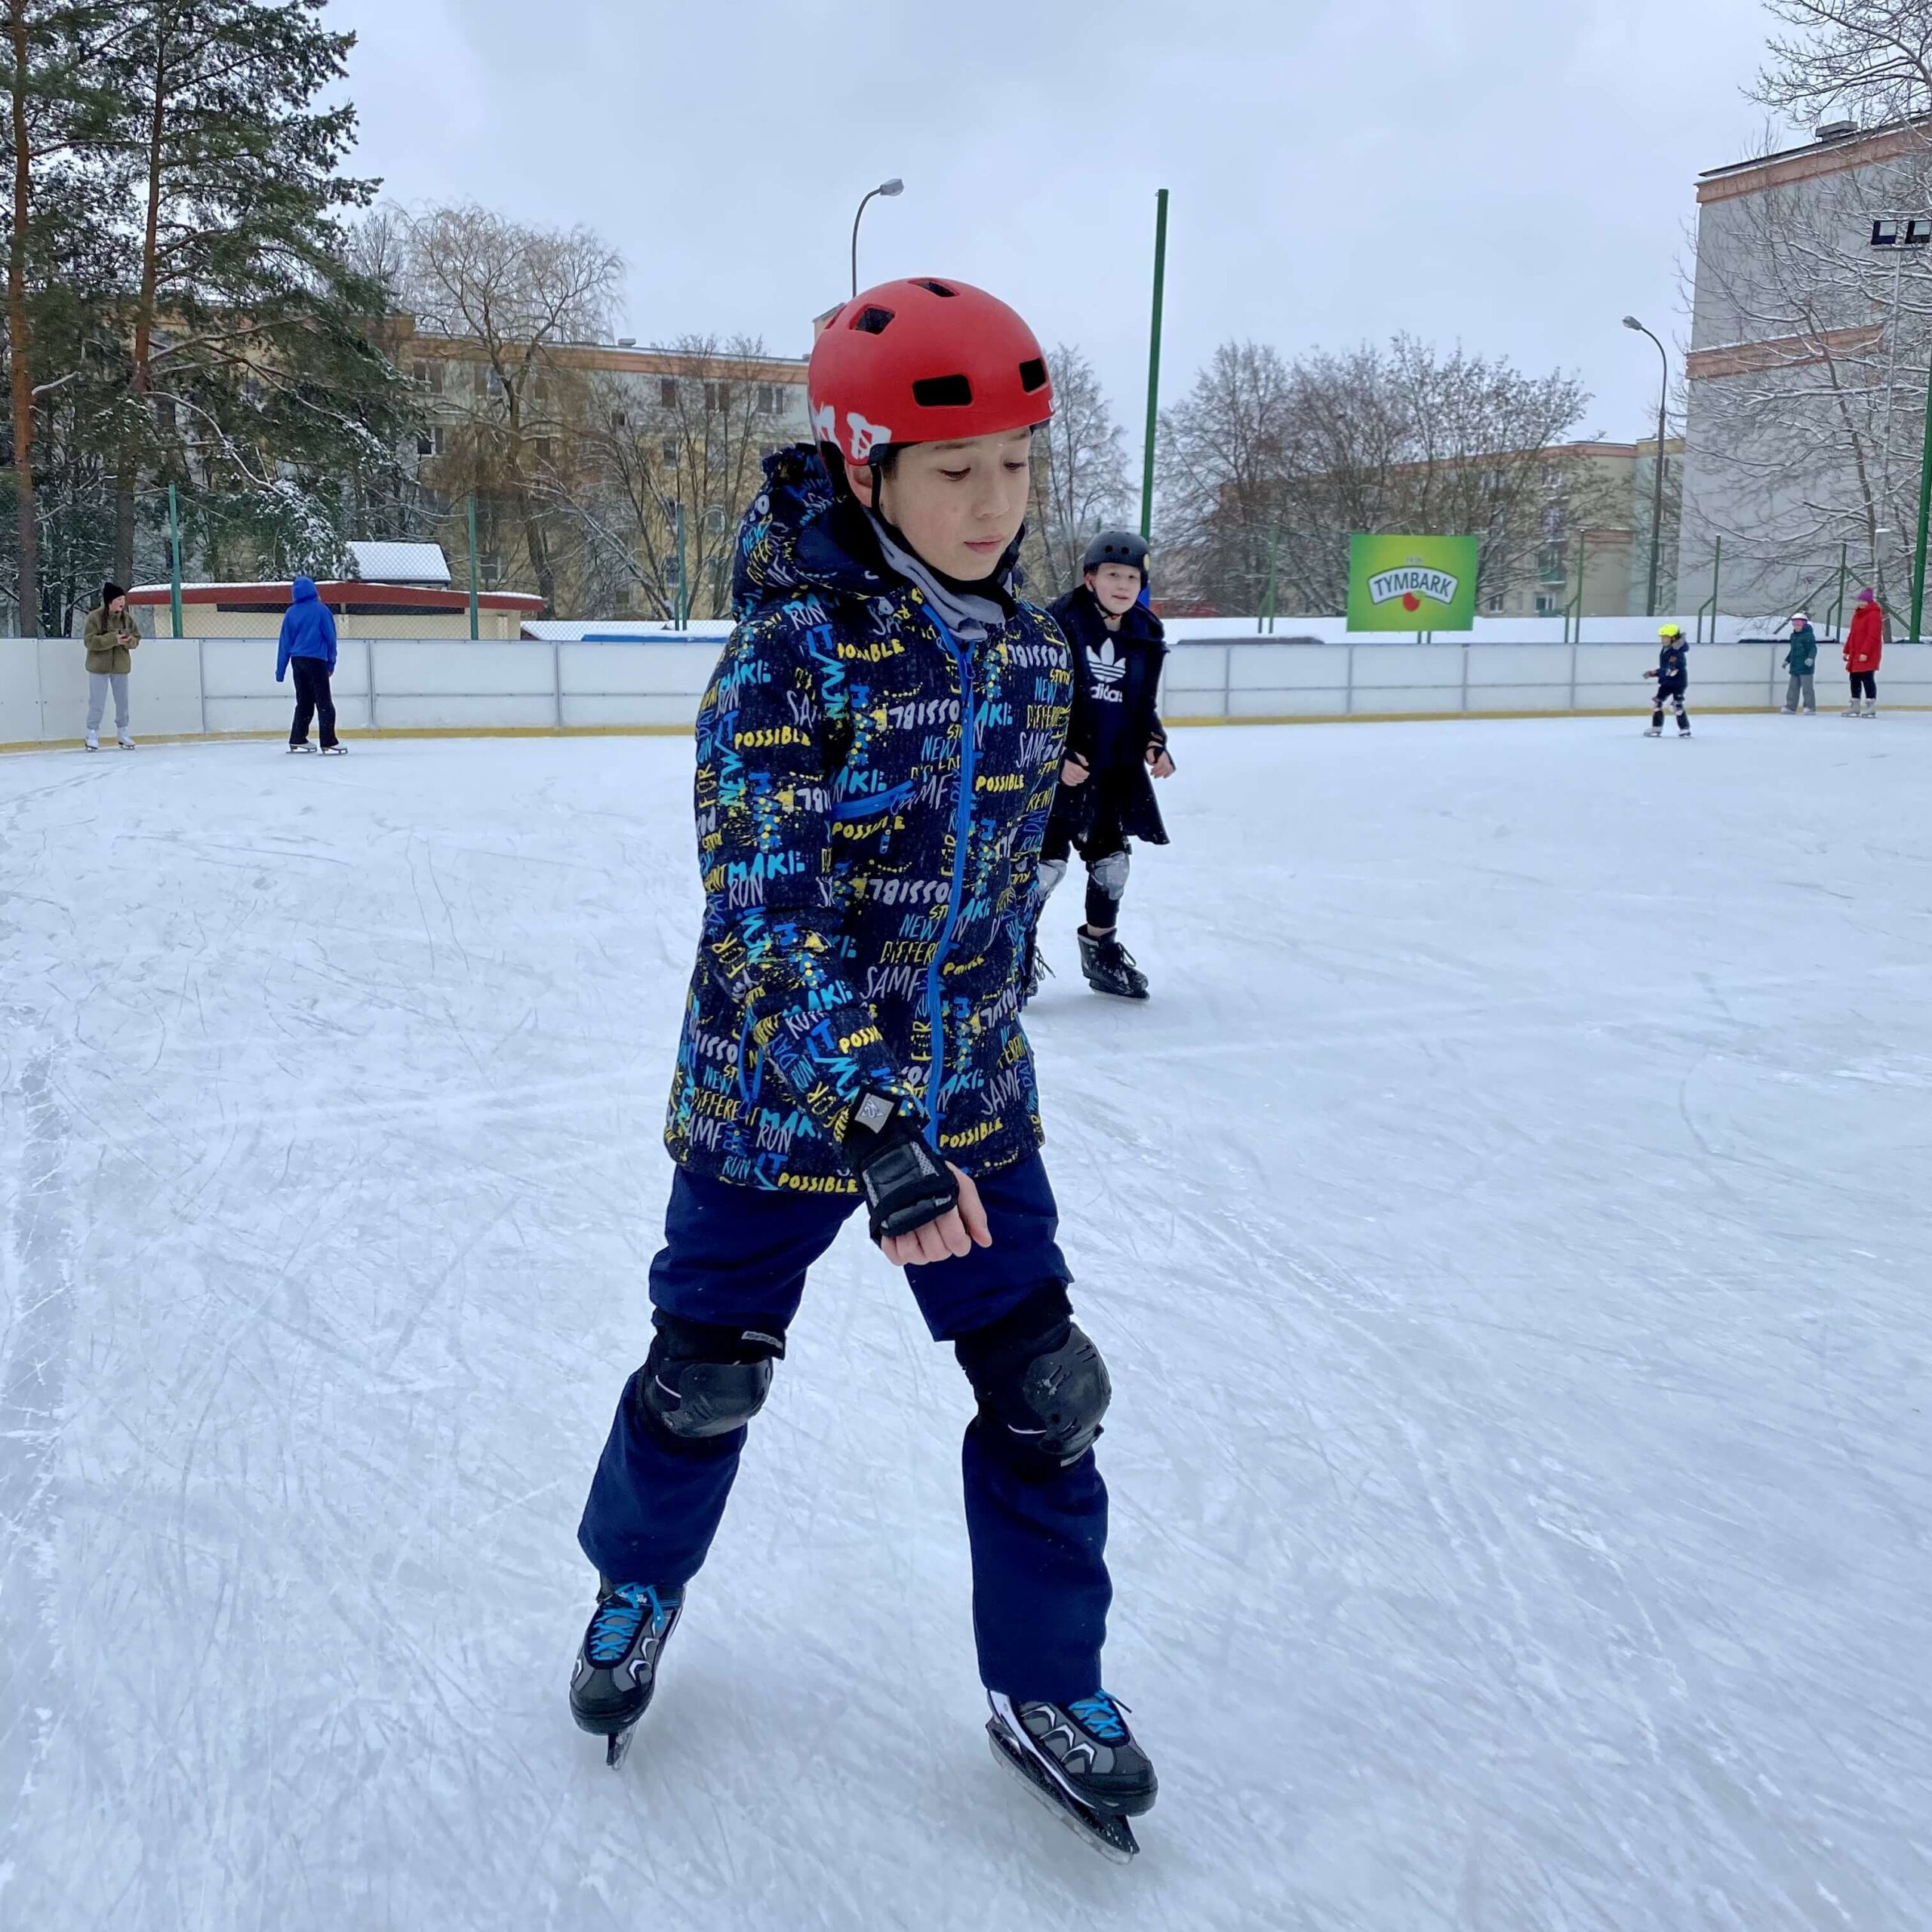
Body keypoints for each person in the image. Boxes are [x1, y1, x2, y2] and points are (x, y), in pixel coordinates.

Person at [568, 278, 1157, 1854]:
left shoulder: (1034, 661)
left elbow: (994, 895)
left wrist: (948, 1100)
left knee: (1046, 1392)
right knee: (700, 1380)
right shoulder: (787, 659)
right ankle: (636, 1581)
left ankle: (1046, 1678)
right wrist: (870, 1117)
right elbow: (765, 911)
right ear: (861, 465)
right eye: (952, 469)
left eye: (1016, 466)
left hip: (968, 1108)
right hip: (775, 1108)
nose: (993, 502)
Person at [1029, 531, 1176, 1002]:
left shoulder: (1144, 633)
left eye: (1132, 577)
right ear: (1090, 578)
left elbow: (1140, 705)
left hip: (1112, 773)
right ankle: (1014, 956)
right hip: (1058, 775)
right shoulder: (1056, 623)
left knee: (1112, 868)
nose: (1123, 584)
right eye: (1113, 574)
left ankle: (1101, 955)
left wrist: (1155, 743)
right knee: (1042, 871)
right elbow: (1031, 701)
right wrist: (1055, 757)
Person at [275, 575, 343, 752]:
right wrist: (331, 663)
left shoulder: (291, 613)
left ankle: (298, 737)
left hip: (297, 661)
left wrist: (280, 671)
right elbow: (330, 638)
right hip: (316, 660)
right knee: (324, 703)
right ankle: (329, 740)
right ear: (314, 591)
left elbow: (285, 642)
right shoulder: (321, 610)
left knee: (304, 701)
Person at [81, 583, 140, 750]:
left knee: (122, 702)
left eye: (123, 599)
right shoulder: (94, 618)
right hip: (98, 667)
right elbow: (89, 641)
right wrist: (113, 639)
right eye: (119, 599)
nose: (122, 602)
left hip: (121, 667)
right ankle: (92, 733)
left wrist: (129, 642)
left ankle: (123, 732)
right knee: (97, 702)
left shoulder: (127, 618)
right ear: (110, 601)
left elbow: (137, 638)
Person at [1644, 623, 1691, 737]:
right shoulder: (1666, 649)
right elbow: (1665, 669)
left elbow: (1669, 669)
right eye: (1662, 637)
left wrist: (1655, 673)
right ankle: (1657, 727)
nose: (1662, 640)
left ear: (1674, 638)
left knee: (1678, 706)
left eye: (1665, 637)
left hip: (1678, 683)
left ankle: (1685, 729)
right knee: (1657, 704)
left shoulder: (1676, 652)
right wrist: (1656, 673)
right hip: (1666, 683)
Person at [1843, 587, 1882, 717]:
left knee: (1867, 678)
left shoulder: (1874, 614)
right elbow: (1852, 634)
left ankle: (1871, 705)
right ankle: (1855, 705)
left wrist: (1865, 652)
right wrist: (1847, 650)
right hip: (1856, 652)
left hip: (1868, 654)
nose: (1861, 603)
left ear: (1869, 601)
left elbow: (1873, 636)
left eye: (1864, 601)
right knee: (1854, 678)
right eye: (1860, 600)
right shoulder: (1857, 615)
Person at [1781, 613, 1818, 714]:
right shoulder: (1793, 636)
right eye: (1794, 623)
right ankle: (1791, 707)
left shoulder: (1809, 636)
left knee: (1807, 689)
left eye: (1799, 623)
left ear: (1804, 624)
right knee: (1793, 688)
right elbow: (1793, 651)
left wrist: (1810, 658)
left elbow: (1813, 649)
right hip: (1795, 667)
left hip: (1806, 668)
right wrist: (1787, 660)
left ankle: (1810, 707)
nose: (1796, 626)